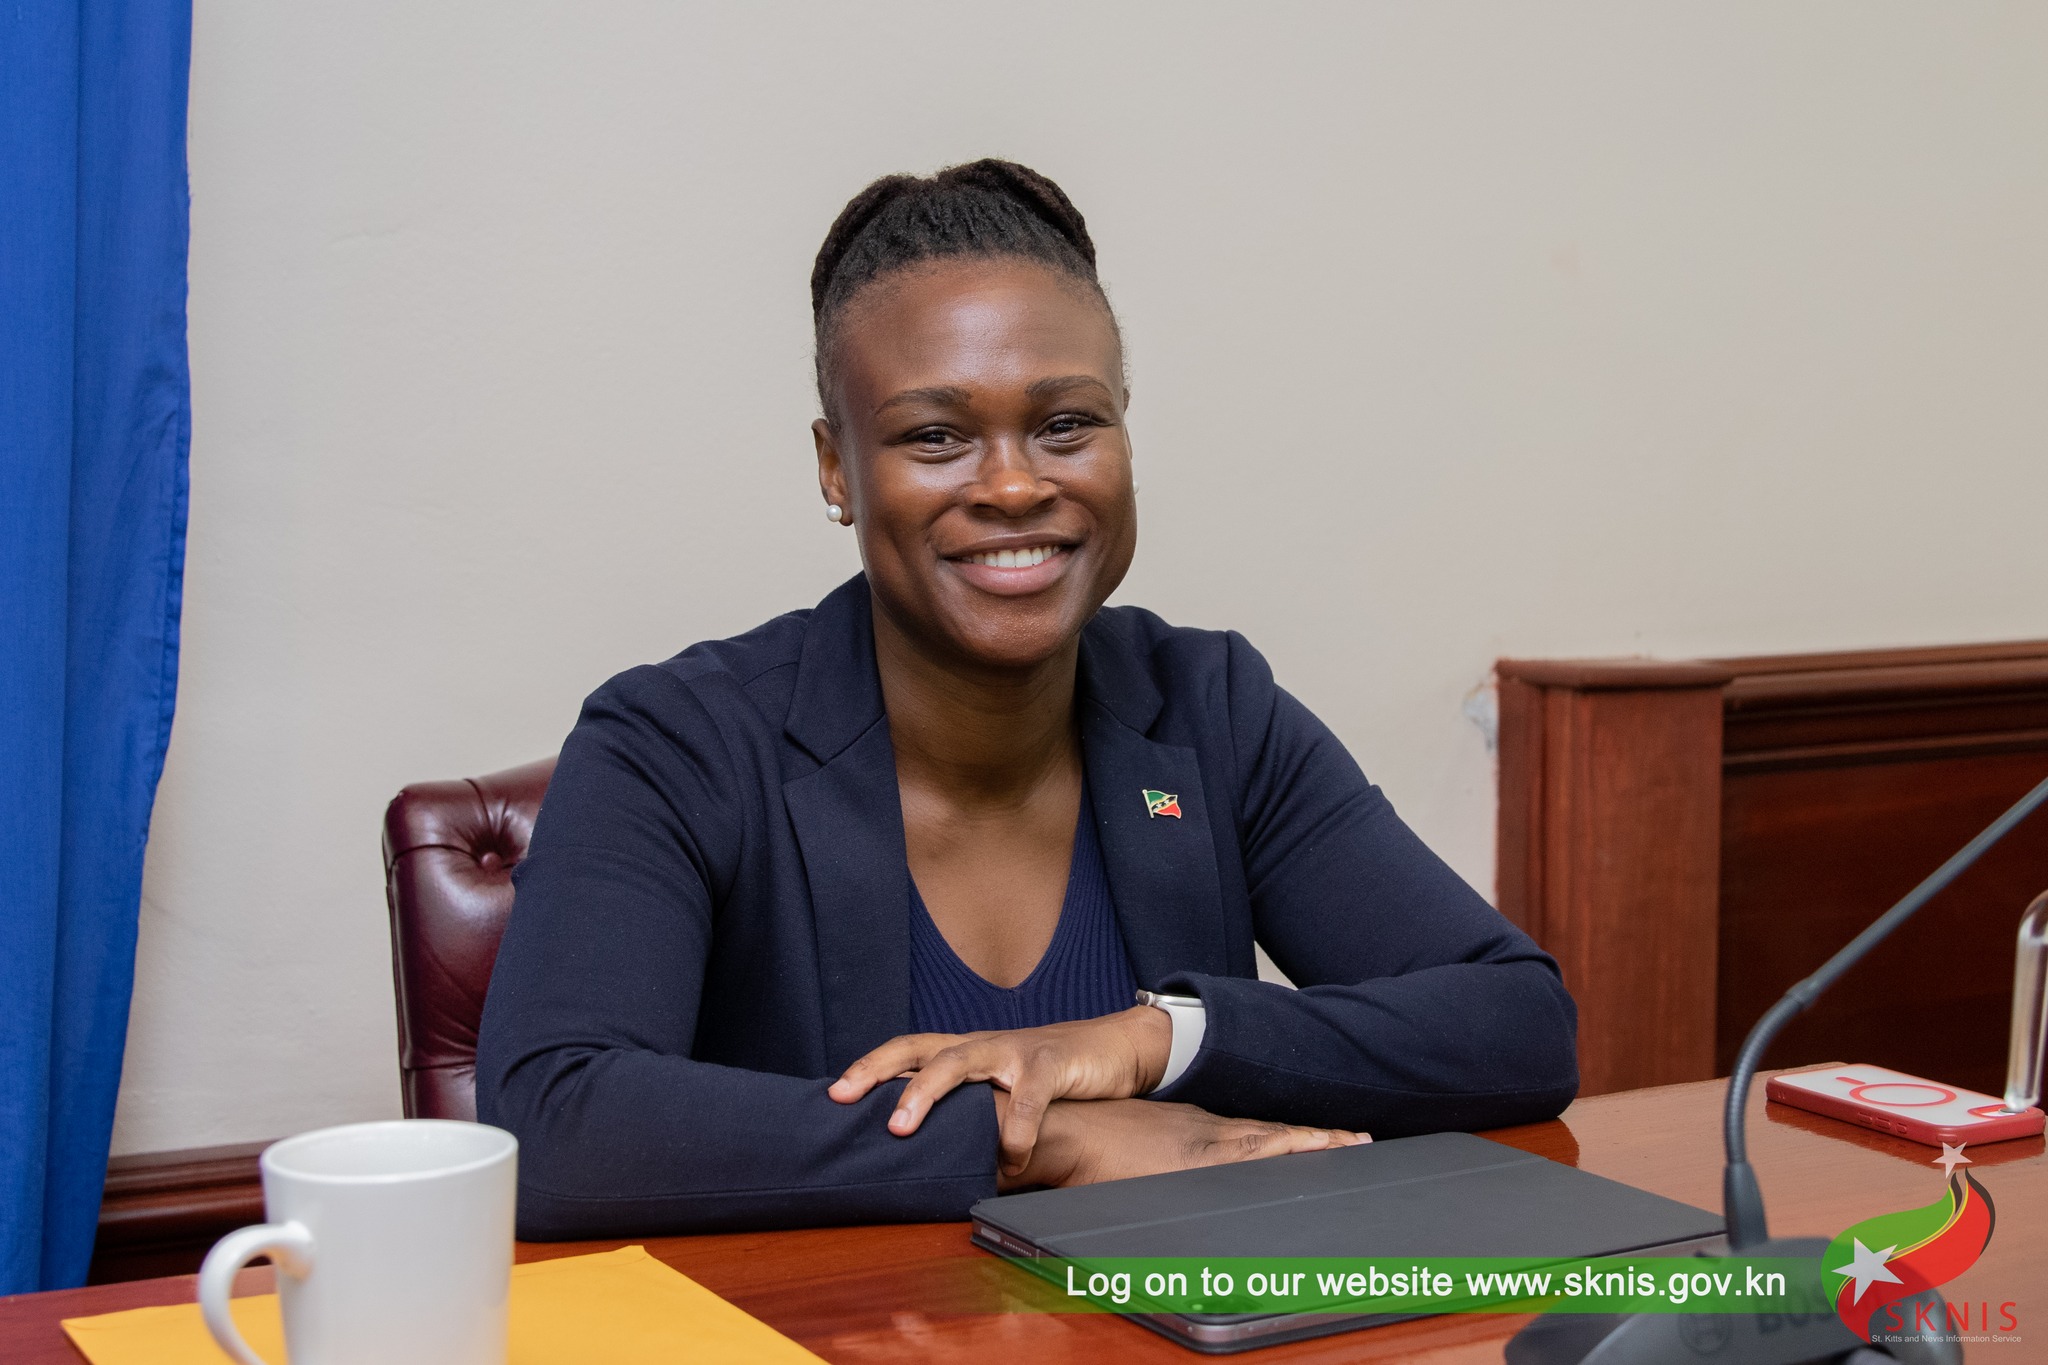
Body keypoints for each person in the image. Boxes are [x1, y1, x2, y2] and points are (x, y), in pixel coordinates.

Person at [475, 159, 1578, 1239]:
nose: (1013, 484)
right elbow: (554, 1121)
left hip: (1159, 1316)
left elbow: (1518, 1024)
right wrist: (1042, 1139)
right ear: (836, 467)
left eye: (1065, 424)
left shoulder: (1209, 710)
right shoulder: (677, 741)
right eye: (934, 436)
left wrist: (1151, 1041)